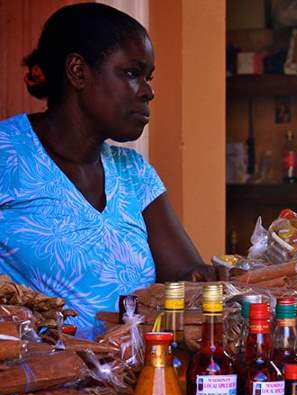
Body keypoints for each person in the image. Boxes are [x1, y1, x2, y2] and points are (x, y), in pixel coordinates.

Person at [0, 3, 214, 337]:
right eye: (132, 73)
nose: (148, 91)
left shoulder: (135, 174)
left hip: (139, 383)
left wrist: (239, 277)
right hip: (39, 385)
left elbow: (186, 278)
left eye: (149, 77)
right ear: (78, 72)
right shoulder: (7, 156)